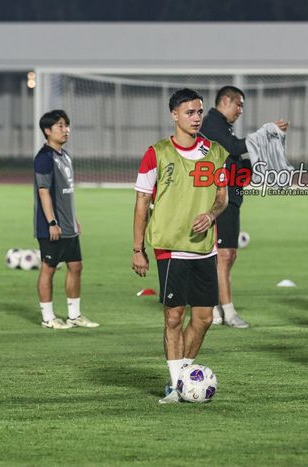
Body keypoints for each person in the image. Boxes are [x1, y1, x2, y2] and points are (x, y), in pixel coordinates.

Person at [132, 88, 229, 404]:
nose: (197, 118)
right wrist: (137, 249)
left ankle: (184, 379)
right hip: (171, 246)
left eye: (200, 112)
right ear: (174, 115)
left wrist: (212, 215)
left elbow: (222, 196)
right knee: (174, 317)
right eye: (190, 112)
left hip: (205, 247)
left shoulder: (215, 152)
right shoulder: (157, 153)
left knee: (204, 319)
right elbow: (142, 201)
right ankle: (176, 386)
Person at [199, 85, 289, 329]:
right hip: (218, 198)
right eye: (239, 104)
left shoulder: (221, 127)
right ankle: (225, 311)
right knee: (223, 256)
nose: (240, 110)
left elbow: (235, 162)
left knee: (228, 255)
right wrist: (266, 133)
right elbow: (237, 147)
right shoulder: (212, 124)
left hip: (232, 196)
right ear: (225, 101)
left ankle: (216, 307)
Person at [33, 109, 99, 330]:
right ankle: (48, 317)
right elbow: (44, 192)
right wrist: (52, 222)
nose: (65, 129)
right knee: (49, 268)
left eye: (66, 125)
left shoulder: (65, 156)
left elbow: (65, 192)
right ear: (47, 130)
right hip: (52, 226)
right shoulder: (44, 158)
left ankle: (74, 315)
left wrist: (74, 218)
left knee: (76, 266)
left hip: (68, 225)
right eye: (60, 126)